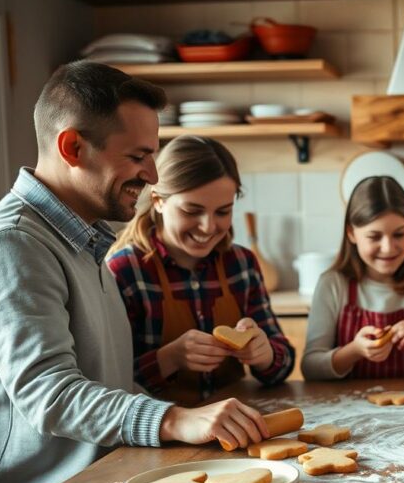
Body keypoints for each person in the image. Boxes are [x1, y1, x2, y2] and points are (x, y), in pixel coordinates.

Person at [0, 61, 269, 483]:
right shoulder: (13, 244)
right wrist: (174, 419)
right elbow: (51, 396)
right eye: (138, 156)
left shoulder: (84, 243)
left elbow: (108, 381)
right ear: (73, 147)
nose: (151, 175)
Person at [108, 135, 295, 407]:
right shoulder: (126, 271)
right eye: (192, 211)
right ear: (159, 200)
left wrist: (266, 354)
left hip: (237, 424)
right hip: (162, 439)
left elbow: (284, 362)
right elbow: (109, 388)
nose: (208, 227)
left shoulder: (241, 265)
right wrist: (169, 359)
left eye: (222, 212)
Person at [301, 176, 404, 379]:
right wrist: (354, 351)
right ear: (351, 233)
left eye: (399, 234)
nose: (388, 248)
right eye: (374, 237)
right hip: (351, 408)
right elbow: (310, 367)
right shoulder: (333, 284)